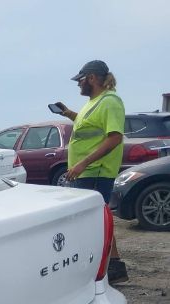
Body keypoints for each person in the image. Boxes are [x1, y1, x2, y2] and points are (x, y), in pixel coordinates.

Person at [54, 60, 128, 283]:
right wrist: (69, 114)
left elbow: (114, 137)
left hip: (95, 172)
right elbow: (90, 126)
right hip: (86, 173)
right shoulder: (94, 102)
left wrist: (83, 163)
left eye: (81, 80)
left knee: (93, 222)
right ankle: (114, 267)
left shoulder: (110, 101)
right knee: (99, 219)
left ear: (92, 78)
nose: (78, 84)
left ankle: (98, 267)